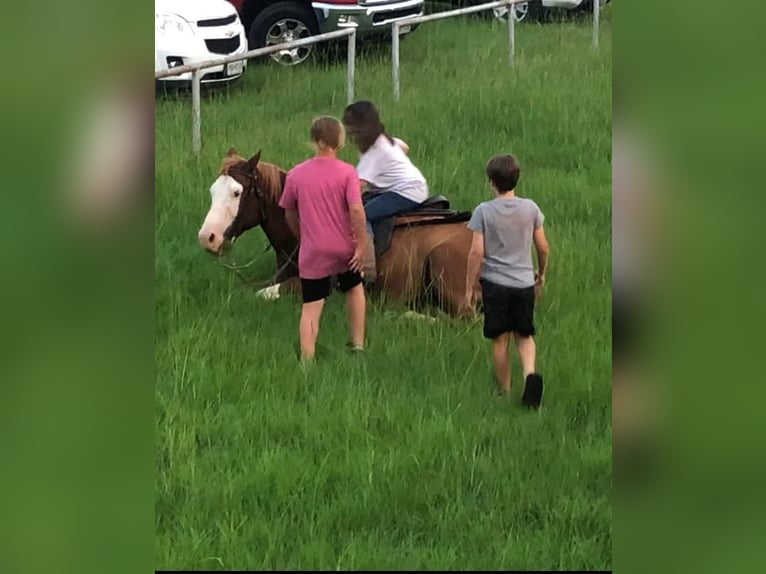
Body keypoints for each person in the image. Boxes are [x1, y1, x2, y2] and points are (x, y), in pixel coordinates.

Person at [278, 116, 369, 362]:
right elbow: (357, 210)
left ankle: (307, 359)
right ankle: (357, 345)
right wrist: (361, 244)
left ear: (314, 140)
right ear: (340, 142)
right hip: (344, 247)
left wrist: (302, 236)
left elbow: (288, 212)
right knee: (354, 289)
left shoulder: (296, 175)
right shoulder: (348, 173)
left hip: (312, 250)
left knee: (311, 306)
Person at [463, 154, 549, 407]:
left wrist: (470, 286)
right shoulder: (530, 208)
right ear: (517, 180)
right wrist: (541, 274)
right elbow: (543, 247)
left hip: (495, 284)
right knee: (524, 335)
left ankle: (504, 391)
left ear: (491, 182)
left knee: (500, 339)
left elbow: (476, 252)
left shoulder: (483, 211)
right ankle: (530, 374)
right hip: (524, 283)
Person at [341, 100, 429, 282]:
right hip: (410, 186)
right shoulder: (387, 140)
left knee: (361, 216)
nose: (348, 130)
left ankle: (367, 269)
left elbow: (357, 186)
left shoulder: (374, 152)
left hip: (404, 192)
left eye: (350, 125)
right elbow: (405, 147)